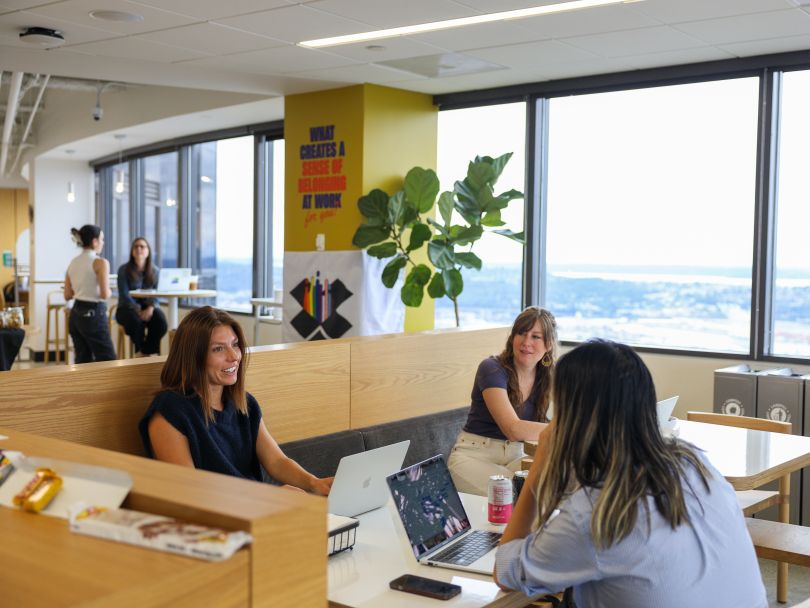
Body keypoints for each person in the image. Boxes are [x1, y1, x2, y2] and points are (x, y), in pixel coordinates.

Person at [495, 339, 767, 608]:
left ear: (574, 419)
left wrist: (538, 470)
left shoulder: (596, 514)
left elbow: (505, 573)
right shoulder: (695, 463)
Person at [138, 306, 333, 495]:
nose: (234, 357)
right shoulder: (170, 410)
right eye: (218, 349)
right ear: (193, 356)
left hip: (257, 510)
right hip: (215, 521)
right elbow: (189, 488)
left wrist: (315, 483)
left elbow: (277, 462)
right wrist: (269, 496)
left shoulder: (244, 403)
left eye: (235, 344)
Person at [447, 306, 558, 495]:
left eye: (536, 337)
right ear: (512, 337)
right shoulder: (491, 369)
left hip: (516, 456)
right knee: (513, 492)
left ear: (548, 345)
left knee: (552, 483)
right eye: (521, 333)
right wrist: (569, 428)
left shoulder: (547, 377)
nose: (526, 342)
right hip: (474, 456)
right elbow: (513, 429)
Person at [64, 225, 117, 363]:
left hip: (76, 315)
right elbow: (105, 294)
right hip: (93, 315)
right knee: (108, 359)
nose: (103, 243)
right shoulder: (100, 262)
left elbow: (67, 294)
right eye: (102, 239)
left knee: (82, 361)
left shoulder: (73, 262)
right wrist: (111, 289)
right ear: (94, 241)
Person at [116, 237, 167, 356]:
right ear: (132, 251)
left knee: (160, 321)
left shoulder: (155, 271)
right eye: (136, 246)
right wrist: (138, 310)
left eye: (142, 246)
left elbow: (156, 294)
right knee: (136, 322)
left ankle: (144, 353)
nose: (139, 249)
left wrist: (150, 308)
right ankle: (140, 351)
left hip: (149, 307)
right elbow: (124, 295)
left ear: (148, 251)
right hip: (126, 308)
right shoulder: (123, 270)